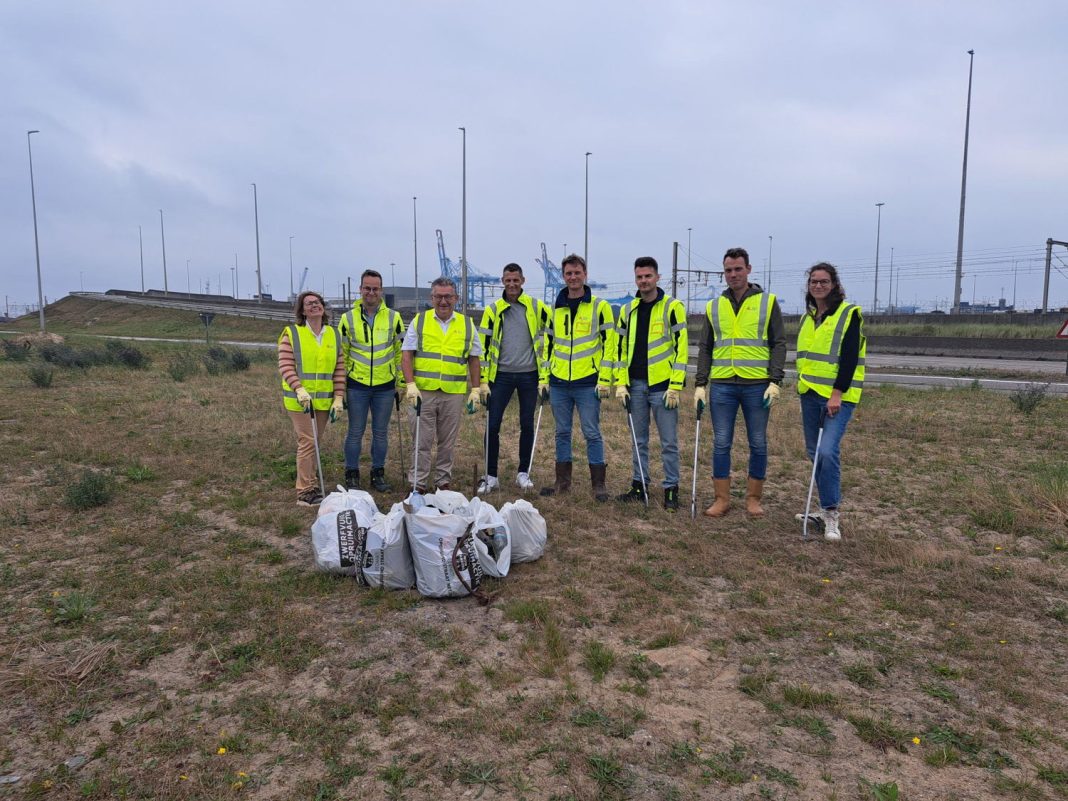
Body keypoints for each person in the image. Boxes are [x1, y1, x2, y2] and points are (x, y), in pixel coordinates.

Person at [694, 247, 786, 518]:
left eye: (737, 269)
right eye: (728, 270)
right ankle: (721, 498)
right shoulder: (714, 306)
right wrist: (701, 383)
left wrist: (775, 380)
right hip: (722, 385)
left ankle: (753, 499)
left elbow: (779, 343)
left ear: (748, 269)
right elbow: (706, 347)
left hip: (757, 386)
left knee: (758, 442)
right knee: (721, 442)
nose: (733, 275)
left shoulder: (767, 303)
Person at [794, 263, 865, 541]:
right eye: (814, 281)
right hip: (809, 394)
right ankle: (823, 510)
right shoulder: (808, 317)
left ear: (834, 284)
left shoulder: (848, 315)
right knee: (815, 455)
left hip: (837, 397)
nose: (818, 286)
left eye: (823, 281)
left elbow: (849, 357)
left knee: (827, 452)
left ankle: (832, 514)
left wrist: (837, 393)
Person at [539, 254, 618, 502]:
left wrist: (605, 379)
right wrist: (544, 378)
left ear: (585, 273)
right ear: (563, 277)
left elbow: (610, 345)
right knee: (562, 433)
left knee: (592, 433)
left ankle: (599, 485)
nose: (573, 277)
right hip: (559, 382)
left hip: (587, 382)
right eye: (568, 274)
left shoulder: (599, 307)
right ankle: (562, 482)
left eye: (577, 273)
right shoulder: (556, 308)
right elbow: (548, 346)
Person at [614, 257, 688, 511]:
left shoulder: (672, 307)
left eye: (648, 276)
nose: (643, 281)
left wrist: (675, 385)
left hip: (662, 387)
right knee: (639, 439)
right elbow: (620, 349)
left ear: (657, 277)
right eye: (639, 277)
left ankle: (671, 488)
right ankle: (639, 484)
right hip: (634, 385)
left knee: (668, 442)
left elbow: (682, 349)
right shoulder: (628, 310)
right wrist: (620, 383)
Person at [401, 277, 482, 493]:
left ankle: (442, 483)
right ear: (432, 298)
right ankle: (417, 484)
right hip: (423, 393)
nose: (443, 301)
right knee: (421, 441)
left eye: (448, 297)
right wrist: (410, 384)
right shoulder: (420, 321)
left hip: (452, 394)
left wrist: (475, 389)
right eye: (439, 296)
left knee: (447, 443)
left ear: (456, 298)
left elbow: (474, 359)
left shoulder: (466, 324)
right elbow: (407, 355)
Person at [476, 263, 551, 493]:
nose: (512, 285)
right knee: (493, 424)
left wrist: (544, 377)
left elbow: (549, 341)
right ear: (502, 281)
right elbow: (483, 347)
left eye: (515, 280)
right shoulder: (493, 310)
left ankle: (523, 473)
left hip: (529, 375)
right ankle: (491, 476)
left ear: (523, 281)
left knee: (527, 424)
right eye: (508, 281)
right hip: (501, 376)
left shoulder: (537, 307)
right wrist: (483, 381)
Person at [338, 269, 405, 492]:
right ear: (360, 289)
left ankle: (378, 473)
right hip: (357, 385)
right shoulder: (347, 319)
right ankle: (352, 473)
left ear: (381, 291)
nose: (371, 292)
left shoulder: (394, 318)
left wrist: (401, 382)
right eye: (367, 288)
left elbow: (400, 352)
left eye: (375, 288)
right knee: (355, 431)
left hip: (384, 387)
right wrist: (343, 385)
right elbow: (342, 353)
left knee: (381, 432)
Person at [277, 291, 346, 506]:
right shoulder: (292, 333)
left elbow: (340, 368)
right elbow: (286, 366)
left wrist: (339, 397)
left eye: (317, 302)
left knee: (315, 442)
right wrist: (299, 389)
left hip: (324, 401)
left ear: (323, 307)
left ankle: (312, 482)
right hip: (300, 401)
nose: (314, 306)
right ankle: (304, 490)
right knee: (307, 441)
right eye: (308, 304)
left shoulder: (333, 335)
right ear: (302, 310)